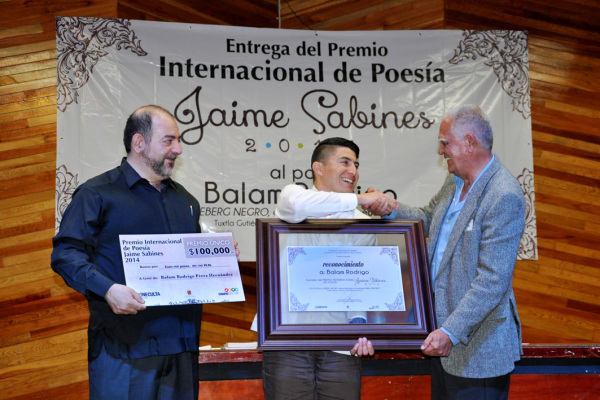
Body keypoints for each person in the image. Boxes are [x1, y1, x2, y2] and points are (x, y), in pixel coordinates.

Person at [368, 105, 526, 399]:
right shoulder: (454, 183)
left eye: (445, 143)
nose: (441, 152)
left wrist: (450, 332)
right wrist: (388, 206)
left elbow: (492, 281)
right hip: (442, 342)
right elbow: (428, 218)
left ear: (469, 143)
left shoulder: (503, 195)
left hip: (476, 352)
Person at [52, 105, 207, 400]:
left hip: (181, 347)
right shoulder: (97, 193)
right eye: (168, 140)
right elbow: (66, 254)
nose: (178, 149)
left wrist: (216, 258)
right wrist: (108, 289)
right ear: (139, 143)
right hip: (122, 348)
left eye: (178, 140)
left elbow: (187, 265)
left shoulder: (185, 201)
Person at [260, 137, 398, 400]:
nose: (353, 171)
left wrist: (362, 329)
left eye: (356, 164)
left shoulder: (362, 223)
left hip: (341, 346)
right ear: (318, 168)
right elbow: (300, 206)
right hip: (287, 340)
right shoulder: (292, 197)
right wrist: (360, 198)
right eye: (344, 162)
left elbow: (361, 285)